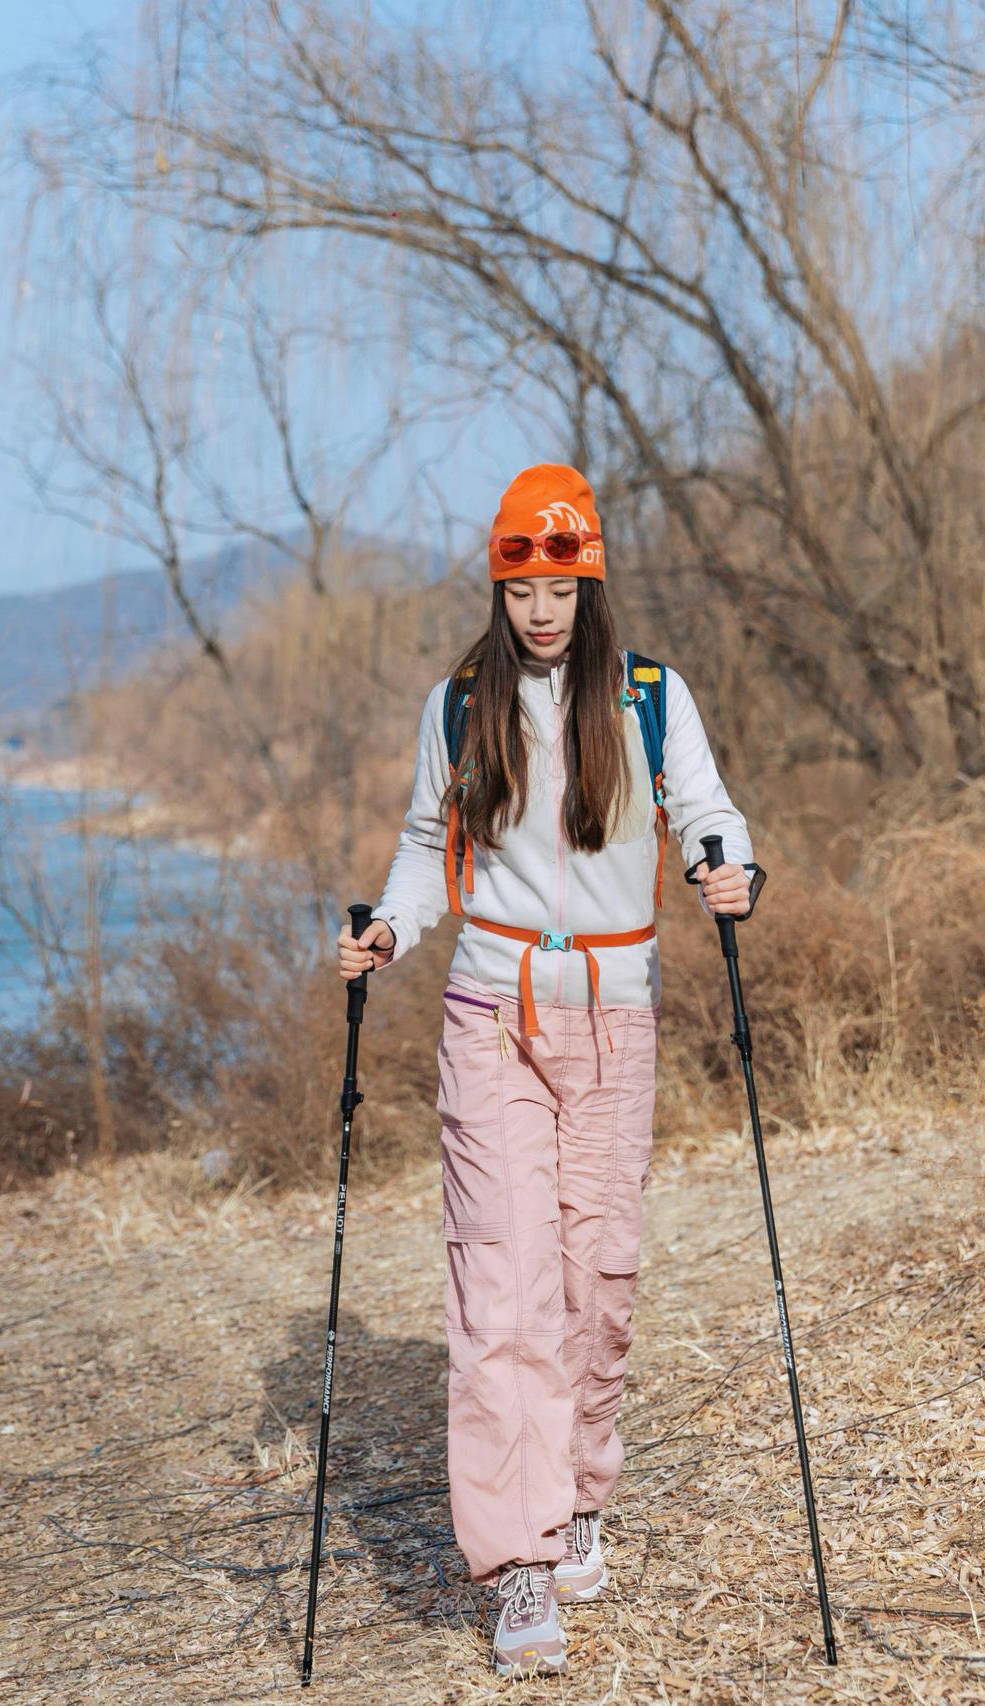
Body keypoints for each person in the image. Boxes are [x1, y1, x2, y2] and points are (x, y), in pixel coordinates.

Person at [336, 463, 755, 1677]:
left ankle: (577, 1496)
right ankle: (519, 1563)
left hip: (615, 1015)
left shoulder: (648, 697)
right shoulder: (459, 704)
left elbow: (708, 811)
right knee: (501, 1290)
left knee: (594, 1282)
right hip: (490, 1015)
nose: (540, 609)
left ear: (589, 583)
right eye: (520, 586)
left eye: (560, 586)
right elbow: (427, 843)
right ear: (498, 585)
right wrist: (391, 927)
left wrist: (726, 868)